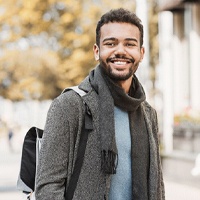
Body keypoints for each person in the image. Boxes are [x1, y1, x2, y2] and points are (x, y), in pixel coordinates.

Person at [35, 8, 165, 200]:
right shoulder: (70, 106)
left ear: (141, 52)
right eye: (110, 43)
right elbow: (48, 187)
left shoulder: (147, 113)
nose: (120, 51)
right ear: (97, 51)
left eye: (130, 44)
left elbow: (157, 184)